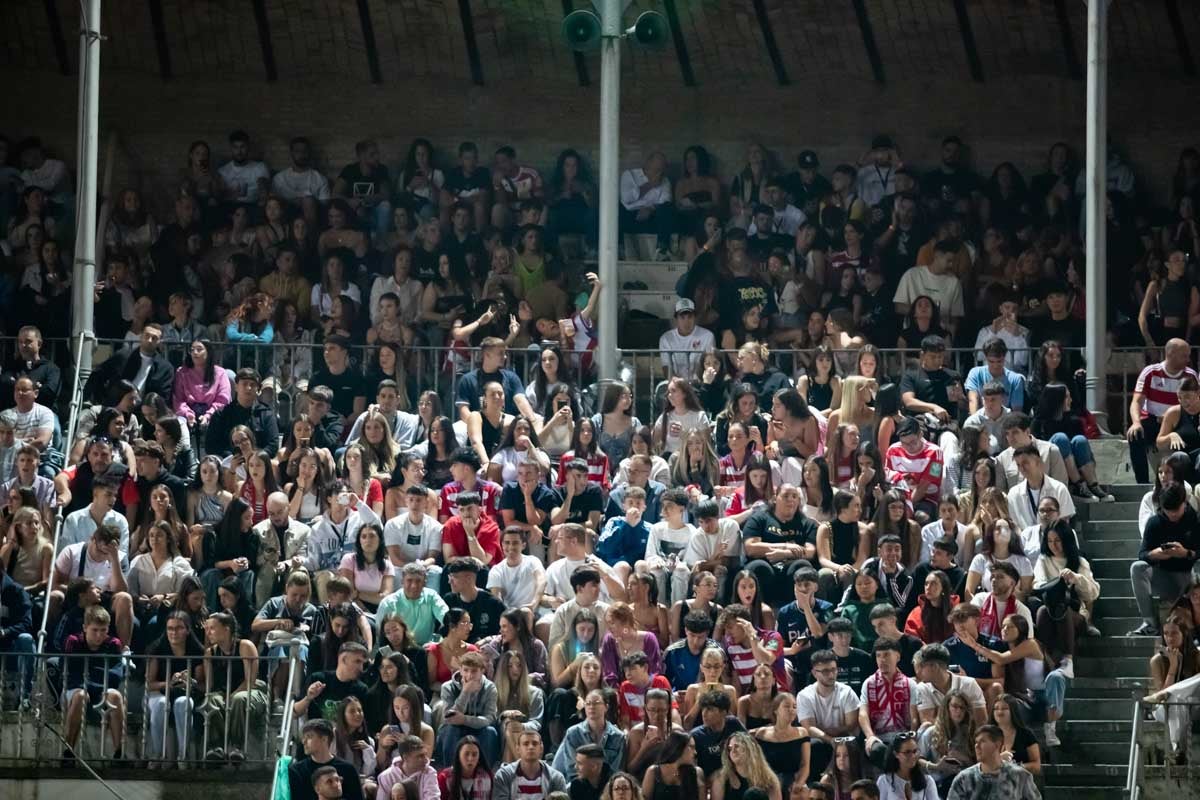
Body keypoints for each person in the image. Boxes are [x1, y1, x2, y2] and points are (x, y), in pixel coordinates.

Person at [1129, 482, 1200, 636]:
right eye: (1169, 511)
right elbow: (1142, 554)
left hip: (1187, 575)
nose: (1173, 515)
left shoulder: (1192, 518)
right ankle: (1149, 622)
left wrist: (1186, 553)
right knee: (1137, 567)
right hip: (1162, 574)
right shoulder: (1155, 523)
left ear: (1184, 503)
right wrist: (1155, 554)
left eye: (1177, 510)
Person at [61, 606, 126, 764]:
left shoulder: (113, 644)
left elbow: (116, 674)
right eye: (94, 630)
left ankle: (119, 753)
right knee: (81, 696)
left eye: (103, 630)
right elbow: (69, 671)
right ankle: (68, 751)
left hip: (102, 688)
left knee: (116, 696)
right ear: (85, 627)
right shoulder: (74, 641)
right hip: (76, 688)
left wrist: (91, 678)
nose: (99, 635)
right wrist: (98, 675)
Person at [1128, 338, 1199, 485]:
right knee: (1135, 435)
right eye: (1184, 355)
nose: (1188, 359)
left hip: (1179, 422)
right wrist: (1135, 422)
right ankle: (1142, 483)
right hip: (1154, 421)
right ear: (1171, 354)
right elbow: (1137, 401)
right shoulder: (1150, 372)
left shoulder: (1191, 375)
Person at [859, 638, 919, 768]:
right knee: (877, 750)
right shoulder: (869, 683)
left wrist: (911, 737)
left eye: (886, 655)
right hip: (879, 737)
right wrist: (870, 736)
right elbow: (863, 713)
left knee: (906, 751)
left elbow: (914, 717)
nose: (882, 660)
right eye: (878, 656)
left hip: (903, 736)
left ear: (897, 656)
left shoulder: (910, 684)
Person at [436, 650, 500, 765]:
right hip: (455, 728)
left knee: (490, 732)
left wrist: (464, 719)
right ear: (460, 670)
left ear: (482, 671)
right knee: (449, 730)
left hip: (479, 728)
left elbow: (489, 719)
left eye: (474, 671)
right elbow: (449, 718)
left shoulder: (490, 688)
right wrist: (465, 692)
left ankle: (485, 773)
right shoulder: (448, 687)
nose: (469, 675)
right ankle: (450, 771)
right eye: (466, 670)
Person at [945, 725, 1041, 800]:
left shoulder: (1020, 776)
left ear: (997, 744)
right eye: (976, 742)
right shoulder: (964, 778)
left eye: (982, 741)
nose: (977, 746)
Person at [554, 687, 626, 778]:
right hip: (578, 783)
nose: (592, 707)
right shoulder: (573, 733)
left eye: (596, 703)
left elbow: (616, 771)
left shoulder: (618, 736)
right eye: (588, 703)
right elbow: (571, 769)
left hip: (607, 786)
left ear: (606, 707)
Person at [289, 718, 367, 800]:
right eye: (303, 737)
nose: (304, 741)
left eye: (309, 737)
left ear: (324, 739)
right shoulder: (297, 771)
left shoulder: (348, 769)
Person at [375, 563, 449, 646]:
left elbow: (446, 617)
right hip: (398, 650)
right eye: (409, 580)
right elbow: (380, 634)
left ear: (424, 583)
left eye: (418, 581)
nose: (414, 586)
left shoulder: (431, 596)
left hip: (424, 649)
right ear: (402, 581)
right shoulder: (388, 603)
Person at [493, 728, 568, 800]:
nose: (531, 747)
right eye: (526, 744)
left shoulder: (556, 777)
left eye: (535, 743)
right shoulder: (504, 775)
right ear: (518, 748)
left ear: (541, 748)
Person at [691, 689, 746, 779]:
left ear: (724, 712)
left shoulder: (733, 723)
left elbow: (750, 746)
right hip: (711, 779)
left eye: (710, 710)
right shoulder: (696, 736)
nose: (704, 714)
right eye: (703, 709)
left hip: (736, 773)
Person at [642, 730, 705, 800]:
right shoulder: (653, 772)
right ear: (678, 748)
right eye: (691, 747)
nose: (695, 752)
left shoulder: (697, 773)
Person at [875, 732, 937, 800]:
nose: (913, 756)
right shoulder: (884, 781)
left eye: (915, 751)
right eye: (907, 752)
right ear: (896, 754)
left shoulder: (928, 781)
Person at [377, 733, 439, 800]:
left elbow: (433, 798)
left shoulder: (429, 772)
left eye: (425, 755)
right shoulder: (387, 776)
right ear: (405, 758)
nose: (426, 760)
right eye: (420, 756)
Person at [438, 735, 494, 800]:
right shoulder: (444, 778)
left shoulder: (487, 777)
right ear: (459, 755)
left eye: (474, 755)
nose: (470, 759)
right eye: (466, 754)